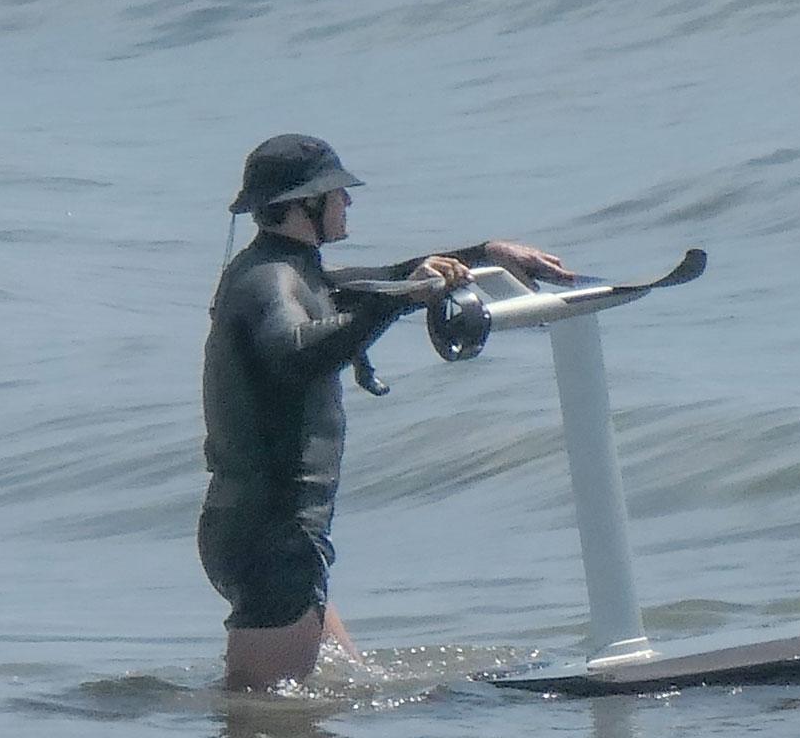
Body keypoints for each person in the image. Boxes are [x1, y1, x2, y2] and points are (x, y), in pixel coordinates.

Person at [199, 133, 574, 690]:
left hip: (266, 531)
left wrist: (485, 254)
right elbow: (295, 353)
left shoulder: (287, 269)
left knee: (345, 689)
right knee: (260, 727)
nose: (347, 203)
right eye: (337, 194)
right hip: (276, 538)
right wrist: (400, 299)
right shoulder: (270, 282)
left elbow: (376, 284)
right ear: (306, 205)